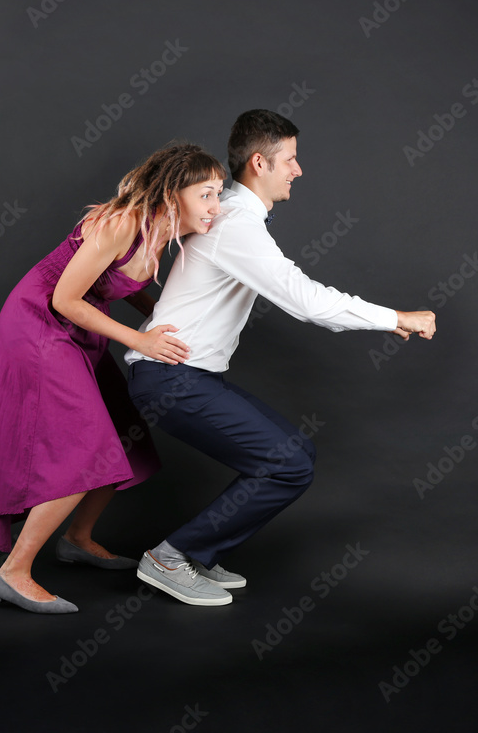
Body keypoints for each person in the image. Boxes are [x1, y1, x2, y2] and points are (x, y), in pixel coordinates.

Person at [125, 110, 436, 606]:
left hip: (185, 374)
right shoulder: (234, 224)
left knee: (297, 457)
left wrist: (389, 321)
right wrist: (396, 315)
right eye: (289, 159)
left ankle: (194, 555)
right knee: (288, 463)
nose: (298, 170)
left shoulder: (230, 214)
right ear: (258, 163)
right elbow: (307, 301)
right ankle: (170, 557)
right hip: (171, 378)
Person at [0, 143, 226, 614]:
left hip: (80, 326)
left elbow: (119, 285)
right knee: (86, 446)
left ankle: (77, 539)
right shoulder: (123, 223)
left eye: (219, 194)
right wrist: (140, 339)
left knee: (123, 433)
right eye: (207, 194)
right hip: (39, 324)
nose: (216, 205)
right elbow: (65, 299)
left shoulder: (160, 231)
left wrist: (161, 318)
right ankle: (13, 571)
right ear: (173, 194)